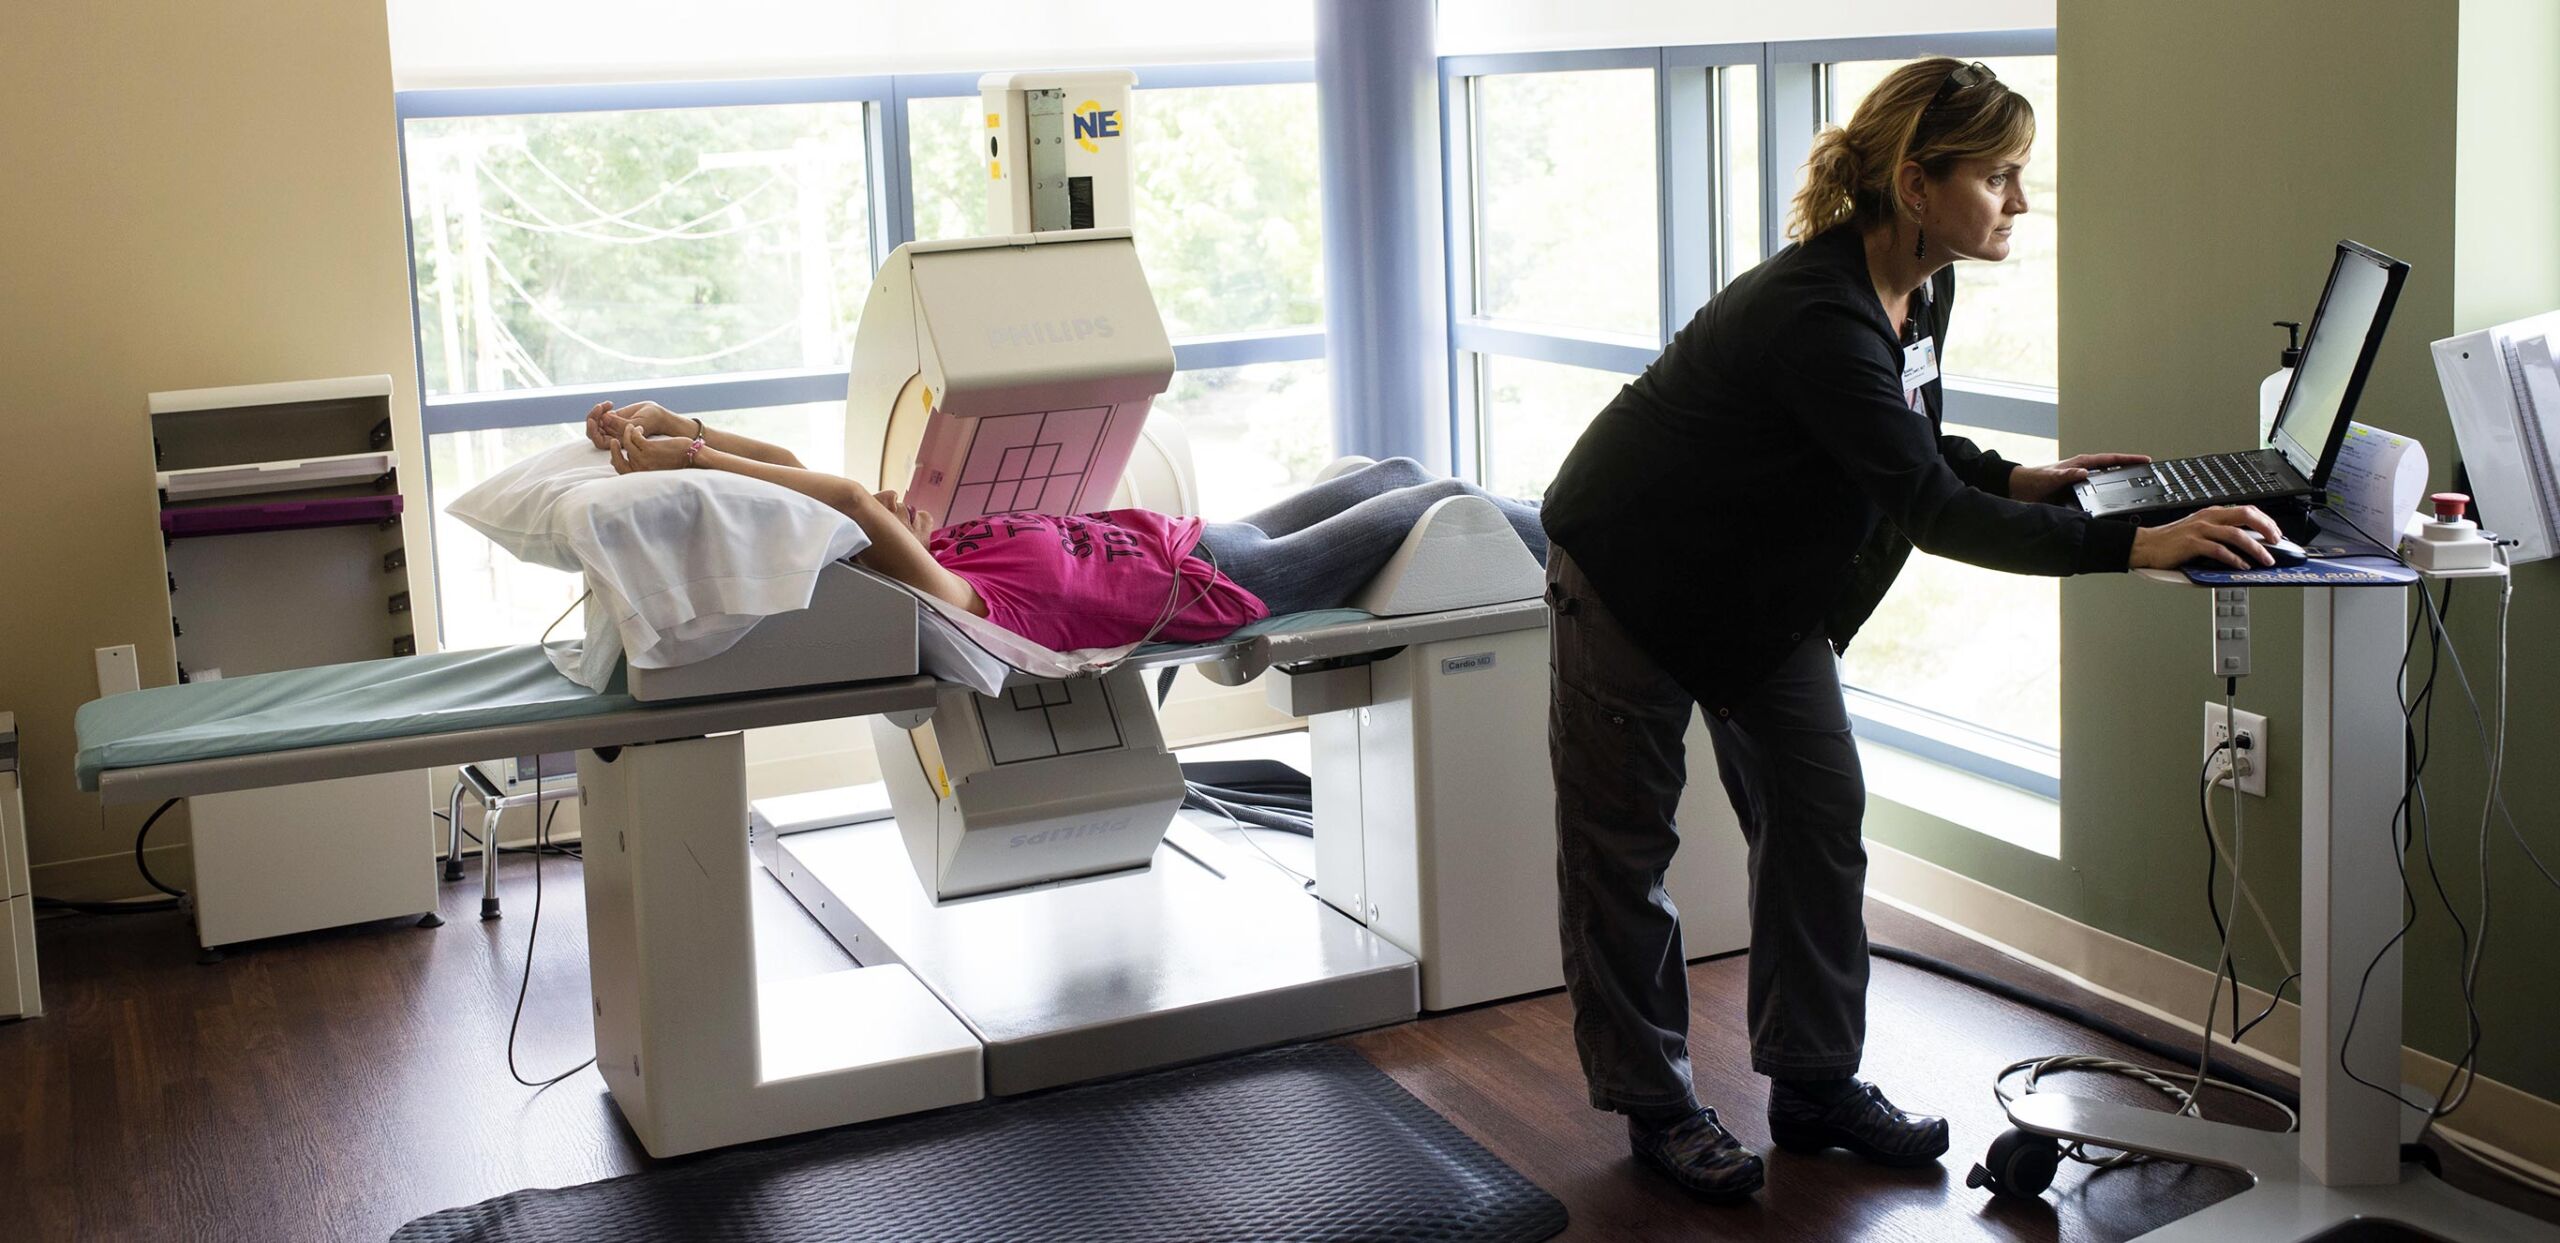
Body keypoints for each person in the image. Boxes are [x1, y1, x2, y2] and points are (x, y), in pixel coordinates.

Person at [1536, 58, 2284, 1202]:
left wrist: (2027, 477)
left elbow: (1907, 445)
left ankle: (1813, 1081)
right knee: (1623, 851)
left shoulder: (1915, 289)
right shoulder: (1815, 313)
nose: (2019, 203)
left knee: (1819, 814)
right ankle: (1653, 1101)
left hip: (1759, 595)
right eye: (2000, 177)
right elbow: (1928, 513)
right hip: (1635, 570)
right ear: (1915, 183)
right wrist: (2133, 543)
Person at [581, 401, 1548, 651]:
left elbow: (801, 481)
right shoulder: (950, 600)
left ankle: (1551, 514)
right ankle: (1583, 534)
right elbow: (842, 501)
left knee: (1398, 472)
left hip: (1197, 542)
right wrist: (699, 469)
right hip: (1227, 590)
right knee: (1439, 506)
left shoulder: (940, 551)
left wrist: (682, 430)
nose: (890, 507)